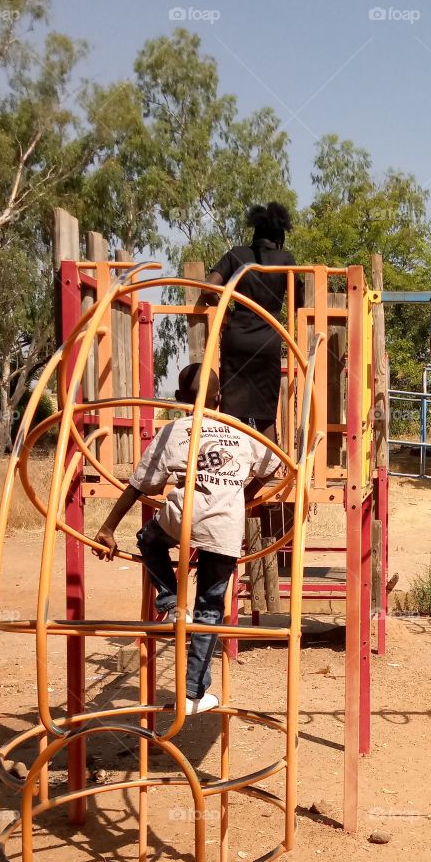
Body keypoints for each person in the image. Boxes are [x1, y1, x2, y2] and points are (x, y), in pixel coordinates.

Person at [94, 363, 280, 715]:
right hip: (225, 526)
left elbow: (138, 485)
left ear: (179, 398)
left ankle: (168, 601)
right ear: (220, 398)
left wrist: (108, 527)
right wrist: (244, 495)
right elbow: (274, 465)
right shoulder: (239, 430)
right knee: (210, 607)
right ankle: (193, 692)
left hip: (184, 517)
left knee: (149, 540)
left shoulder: (173, 431)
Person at [207, 201, 302, 440]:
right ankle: (270, 461)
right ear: (280, 237)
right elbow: (300, 303)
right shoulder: (285, 260)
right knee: (265, 414)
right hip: (267, 342)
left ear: (255, 233)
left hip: (236, 340)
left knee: (232, 412)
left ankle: (232, 459)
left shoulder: (237, 254)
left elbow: (208, 289)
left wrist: (228, 312)